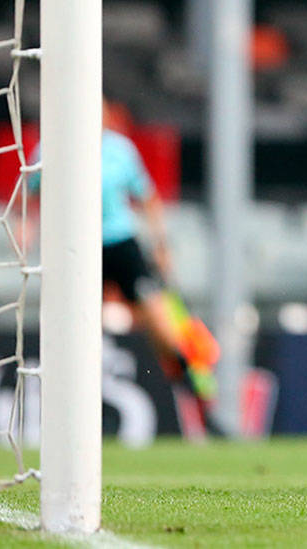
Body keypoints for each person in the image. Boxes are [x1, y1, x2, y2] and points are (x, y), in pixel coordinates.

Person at [28, 98, 218, 427]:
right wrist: (26, 231)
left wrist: (161, 245)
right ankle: (65, 411)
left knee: (160, 321)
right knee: (75, 326)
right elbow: (31, 195)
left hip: (120, 243)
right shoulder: (50, 148)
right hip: (75, 247)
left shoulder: (120, 150)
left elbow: (146, 197)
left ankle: (192, 394)